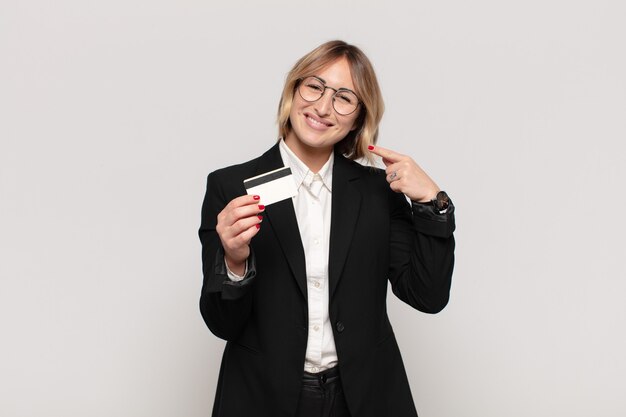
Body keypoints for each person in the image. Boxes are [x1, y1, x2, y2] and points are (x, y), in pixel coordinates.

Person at [199, 40, 455, 417]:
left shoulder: (377, 192)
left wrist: (431, 203)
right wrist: (235, 262)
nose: (322, 107)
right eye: (314, 87)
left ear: (358, 116)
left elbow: (427, 295)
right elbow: (223, 324)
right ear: (293, 90)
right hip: (263, 396)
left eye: (344, 97)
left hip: (364, 397)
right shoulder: (231, 187)